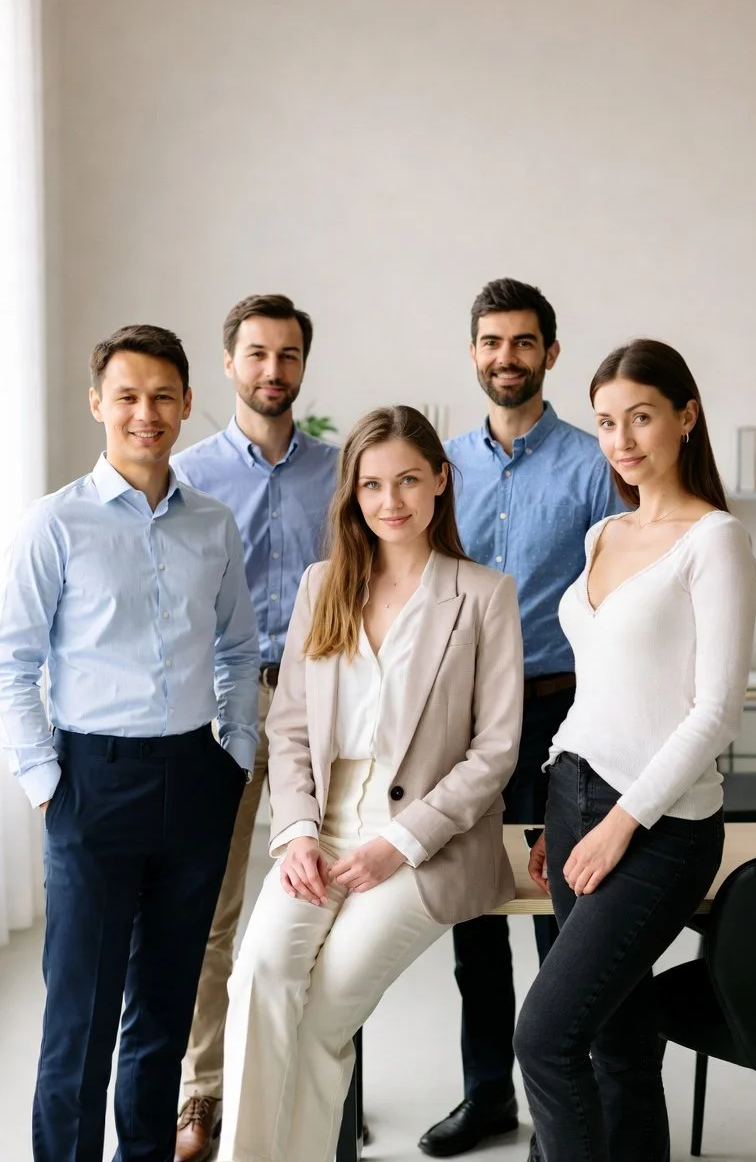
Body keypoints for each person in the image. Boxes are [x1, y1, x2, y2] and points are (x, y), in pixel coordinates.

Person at [215, 405, 524, 1162]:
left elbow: (495, 752)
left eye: (409, 481)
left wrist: (399, 843)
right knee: (259, 977)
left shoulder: (484, 595)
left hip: (425, 836)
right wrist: (292, 835)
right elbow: (288, 727)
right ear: (352, 494)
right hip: (320, 825)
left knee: (324, 1013)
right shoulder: (324, 586)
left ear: (441, 482)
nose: (392, 502)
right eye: (373, 485)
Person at [0, 325, 260, 1162]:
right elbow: (13, 661)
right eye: (127, 396)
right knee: (79, 1017)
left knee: (163, 1010)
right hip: (90, 782)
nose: (145, 413)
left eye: (161, 397)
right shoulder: (56, 523)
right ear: (98, 405)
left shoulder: (214, 524)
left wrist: (235, 759)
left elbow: (237, 650)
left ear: (187, 404)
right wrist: (47, 782)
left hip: (193, 780)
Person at [514, 339, 756, 1161]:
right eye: (607, 422)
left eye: (642, 417)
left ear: (686, 418)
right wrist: (561, 804)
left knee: (544, 1038)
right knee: (618, 1043)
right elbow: (598, 693)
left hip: (658, 828)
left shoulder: (714, 540)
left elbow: (715, 712)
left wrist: (621, 822)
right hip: (573, 798)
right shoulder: (602, 536)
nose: (622, 439)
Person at [419, 279, 626, 1158]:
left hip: (559, 715)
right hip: (462, 726)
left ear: (551, 352)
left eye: (523, 342)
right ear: (473, 353)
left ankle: (566, 1105)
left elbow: (618, 608)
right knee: (474, 918)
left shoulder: (592, 466)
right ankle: (485, 1096)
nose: (507, 357)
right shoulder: (440, 467)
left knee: (563, 917)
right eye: (491, 342)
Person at [170, 294, 338, 1162]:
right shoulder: (189, 474)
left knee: (325, 901)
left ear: (304, 367)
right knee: (213, 909)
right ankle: (203, 1094)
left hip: (321, 702)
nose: (274, 371)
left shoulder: (344, 471)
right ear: (229, 364)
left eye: (289, 356)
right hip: (224, 705)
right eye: (258, 355)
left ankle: (320, 1089)